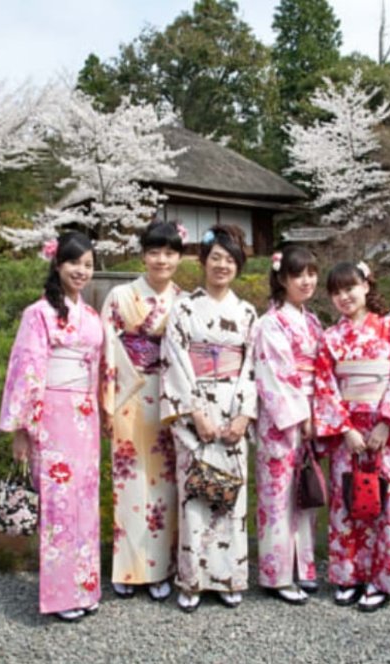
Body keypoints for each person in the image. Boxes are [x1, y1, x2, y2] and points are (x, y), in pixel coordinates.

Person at [0, 231, 103, 622]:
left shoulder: (90, 316)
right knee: (58, 503)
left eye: (89, 264)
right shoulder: (37, 313)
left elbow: (99, 366)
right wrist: (23, 429)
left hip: (85, 414)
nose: (82, 270)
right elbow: (26, 370)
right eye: (75, 262)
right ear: (57, 264)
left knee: (85, 502)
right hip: (52, 412)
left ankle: (86, 585)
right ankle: (60, 594)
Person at [313, 261, 390, 613]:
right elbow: (324, 387)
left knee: (386, 507)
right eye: (336, 292)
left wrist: (387, 424)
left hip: (384, 433)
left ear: (366, 286)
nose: (344, 296)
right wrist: (344, 429)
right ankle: (348, 576)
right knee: (347, 504)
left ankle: (381, 579)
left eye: (350, 288)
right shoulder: (330, 338)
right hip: (348, 432)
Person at [161, 224, 257, 613]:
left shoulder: (248, 312)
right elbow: (174, 363)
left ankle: (230, 578)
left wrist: (245, 415)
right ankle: (192, 580)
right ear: (202, 261)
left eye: (230, 259)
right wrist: (196, 414)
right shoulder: (183, 308)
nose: (222, 265)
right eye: (215, 257)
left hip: (233, 409)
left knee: (231, 496)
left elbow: (253, 367)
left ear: (238, 266)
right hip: (195, 411)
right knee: (195, 496)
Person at [101, 221, 185, 602]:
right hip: (128, 394)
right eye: (154, 252)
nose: (161, 259)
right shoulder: (120, 295)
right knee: (129, 483)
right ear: (143, 255)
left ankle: (161, 569)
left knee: (166, 487)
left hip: (169, 398)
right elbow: (106, 350)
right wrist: (107, 402)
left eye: (169, 252)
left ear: (179, 257)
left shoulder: (184, 301)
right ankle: (128, 568)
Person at [252, 244, 324, 605]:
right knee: (278, 496)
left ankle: (304, 567)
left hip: (310, 413)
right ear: (282, 279)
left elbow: (322, 370)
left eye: (312, 273)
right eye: (299, 275)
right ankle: (276, 573)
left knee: (304, 493)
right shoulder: (270, 323)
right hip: (283, 420)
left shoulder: (311, 321)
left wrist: (320, 411)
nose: (307, 280)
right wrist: (303, 415)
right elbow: (274, 375)